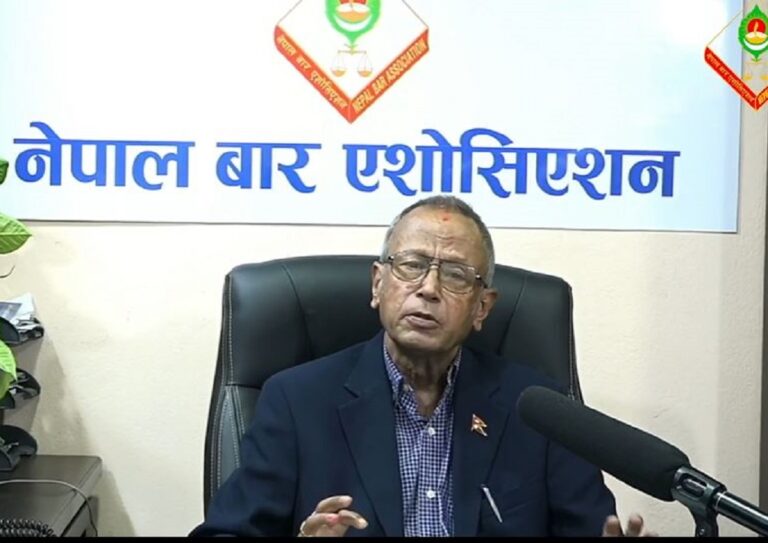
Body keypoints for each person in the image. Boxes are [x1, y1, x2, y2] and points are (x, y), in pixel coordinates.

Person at [190, 195, 655, 537]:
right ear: (378, 285)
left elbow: (591, 528)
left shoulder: (538, 410)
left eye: (455, 275)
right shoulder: (296, 401)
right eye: (411, 265)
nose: (429, 289)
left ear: (482, 307)